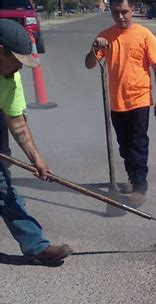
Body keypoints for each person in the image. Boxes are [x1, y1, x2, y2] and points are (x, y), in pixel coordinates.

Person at [0, 19, 72, 264]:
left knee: (4, 189)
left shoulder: (10, 78)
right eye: (17, 62)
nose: (19, 70)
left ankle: (37, 247)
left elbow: (17, 122)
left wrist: (37, 159)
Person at [85, 0, 156, 208]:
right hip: (115, 101)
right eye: (115, 13)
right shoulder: (106, 36)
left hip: (139, 99)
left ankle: (140, 186)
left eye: (124, 12)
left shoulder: (145, 35)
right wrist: (94, 48)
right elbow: (89, 64)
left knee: (138, 143)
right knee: (124, 144)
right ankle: (132, 176)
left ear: (133, 10)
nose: (120, 17)